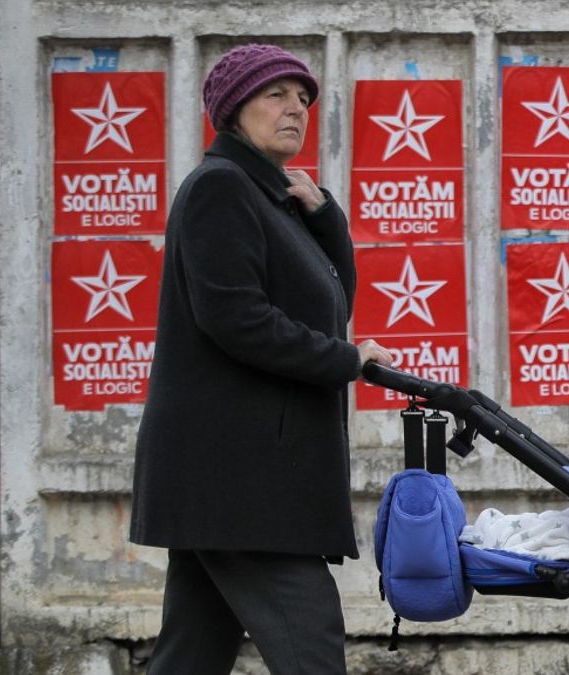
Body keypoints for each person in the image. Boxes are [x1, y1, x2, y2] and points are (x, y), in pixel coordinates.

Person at [129, 44, 393, 675]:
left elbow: (331, 304)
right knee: (311, 644)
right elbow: (236, 320)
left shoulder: (275, 198)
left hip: (235, 478)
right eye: (275, 95)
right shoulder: (221, 189)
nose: (295, 109)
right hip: (242, 475)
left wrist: (326, 220)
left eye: (303, 98)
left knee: (191, 655)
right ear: (233, 111)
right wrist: (346, 361)